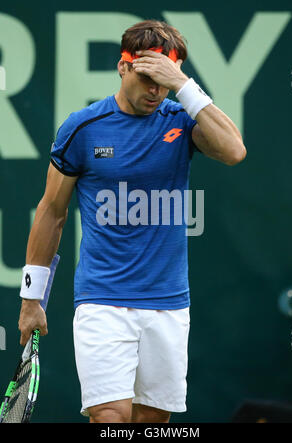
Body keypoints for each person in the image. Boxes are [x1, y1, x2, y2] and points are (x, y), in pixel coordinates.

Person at [18, 20, 246, 423]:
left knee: (152, 422)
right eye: (146, 77)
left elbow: (233, 151)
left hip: (169, 305)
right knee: (110, 417)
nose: (155, 91)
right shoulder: (82, 128)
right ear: (122, 68)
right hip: (103, 300)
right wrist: (31, 298)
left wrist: (183, 85)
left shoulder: (182, 118)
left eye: (164, 80)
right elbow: (52, 211)